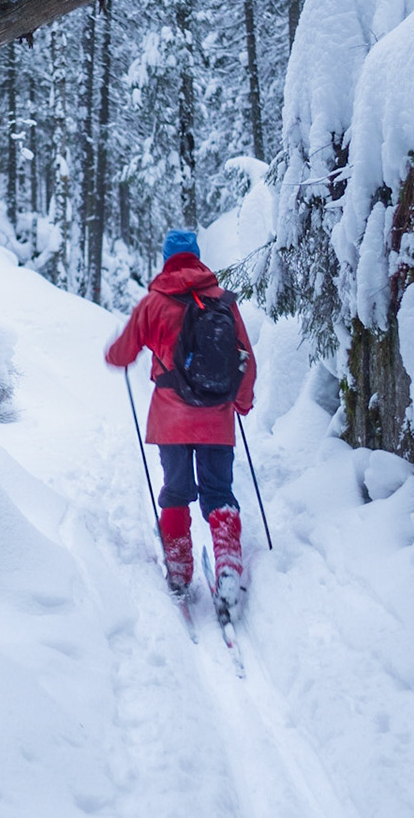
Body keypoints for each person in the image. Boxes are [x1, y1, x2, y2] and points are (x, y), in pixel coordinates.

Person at [105, 228, 257, 607]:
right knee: (219, 491)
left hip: (170, 419)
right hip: (217, 419)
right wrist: (241, 402)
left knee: (175, 492)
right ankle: (227, 566)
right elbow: (244, 358)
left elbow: (120, 355)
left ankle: (178, 567)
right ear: (197, 256)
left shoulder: (153, 303)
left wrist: (115, 347)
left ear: (166, 258)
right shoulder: (221, 300)